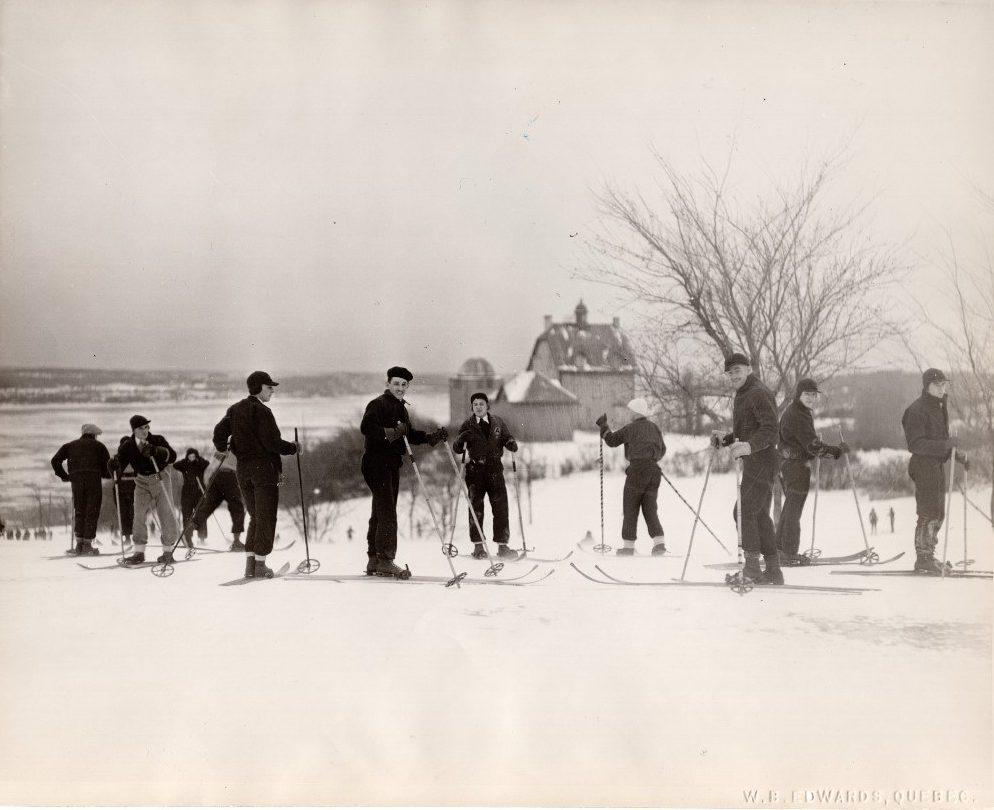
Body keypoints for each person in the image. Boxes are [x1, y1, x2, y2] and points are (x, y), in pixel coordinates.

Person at [359, 366, 447, 577]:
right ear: (388, 384)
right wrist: (391, 433)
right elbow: (366, 427)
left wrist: (430, 437)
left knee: (381, 510)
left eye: (404, 385)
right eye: (396, 383)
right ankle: (386, 560)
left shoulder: (400, 408)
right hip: (376, 463)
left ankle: (374, 559)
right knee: (387, 511)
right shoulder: (378, 404)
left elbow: (408, 435)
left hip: (389, 464)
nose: (400, 388)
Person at [213, 371, 297, 579]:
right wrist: (294, 447)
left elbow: (218, 432)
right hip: (264, 470)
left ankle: (250, 565)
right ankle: (260, 565)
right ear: (259, 387)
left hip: (243, 470)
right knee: (266, 516)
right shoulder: (263, 411)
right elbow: (272, 443)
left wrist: (223, 448)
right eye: (269, 387)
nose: (272, 391)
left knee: (255, 517)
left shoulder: (234, 409)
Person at [712, 353, 783, 585]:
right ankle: (773, 570)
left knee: (743, 512)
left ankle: (753, 569)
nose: (734, 375)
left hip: (762, 460)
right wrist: (727, 439)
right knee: (758, 513)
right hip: (758, 461)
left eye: (738, 370)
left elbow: (771, 429)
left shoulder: (757, 393)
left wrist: (749, 446)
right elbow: (749, 430)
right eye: (730, 372)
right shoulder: (744, 393)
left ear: (749, 369)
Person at [901, 368, 968, 574]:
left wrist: (958, 455)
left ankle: (929, 555)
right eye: (937, 385)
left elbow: (942, 441)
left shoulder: (939, 406)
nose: (942, 388)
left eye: (944, 384)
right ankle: (923, 558)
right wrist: (947, 446)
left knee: (938, 513)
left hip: (936, 465)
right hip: (923, 466)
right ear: (927, 385)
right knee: (928, 512)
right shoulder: (916, 410)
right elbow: (916, 444)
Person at [774, 379, 846, 566]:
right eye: (807, 394)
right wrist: (836, 451)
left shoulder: (795, 411)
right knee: (793, 509)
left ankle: (779, 549)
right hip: (796, 466)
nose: (812, 398)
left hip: (788, 465)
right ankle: (788, 553)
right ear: (799, 394)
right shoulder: (798, 414)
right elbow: (813, 446)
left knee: (790, 507)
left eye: (814, 395)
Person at [595, 397, 667, 556]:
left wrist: (603, 426)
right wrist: (650, 460)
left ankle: (628, 547)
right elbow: (663, 449)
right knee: (650, 508)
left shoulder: (631, 428)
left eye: (629, 411)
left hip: (637, 473)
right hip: (654, 472)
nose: (628, 413)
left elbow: (612, 441)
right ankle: (659, 544)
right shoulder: (654, 427)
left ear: (635, 413)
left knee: (630, 507)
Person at [452, 392, 520, 560]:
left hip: (495, 470)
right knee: (476, 508)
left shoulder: (497, 422)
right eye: (475, 404)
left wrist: (510, 442)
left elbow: (506, 436)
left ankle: (503, 546)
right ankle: (478, 546)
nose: (478, 407)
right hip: (476, 472)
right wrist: (461, 439)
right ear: (472, 407)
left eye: (481, 404)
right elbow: (457, 448)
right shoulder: (467, 425)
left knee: (501, 507)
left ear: (487, 405)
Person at [110, 416, 179, 565]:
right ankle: (139, 552)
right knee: (138, 515)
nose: (145, 430)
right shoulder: (128, 446)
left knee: (165, 514)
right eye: (141, 428)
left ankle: (168, 552)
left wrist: (157, 451)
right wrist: (114, 466)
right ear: (134, 430)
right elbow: (119, 465)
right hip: (141, 481)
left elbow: (172, 456)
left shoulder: (158, 440)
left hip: (160, 478)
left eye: (147, 427)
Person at [50, 423, 111, 555]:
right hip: (93, 480)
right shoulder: (99, 446)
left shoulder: (70, 445)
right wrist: (108, 475)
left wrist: (64, 476)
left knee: (79, 510)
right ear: (94, 435)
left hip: (76, 481)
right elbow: (107, 467)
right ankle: (88, 545)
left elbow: (55, 460)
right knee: (92, 510)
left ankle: (79, 545)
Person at [173, 448, 210, 547]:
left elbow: (207, 463)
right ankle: (188, 539)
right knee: (187, 516)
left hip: (199, 492)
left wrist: (198, 459)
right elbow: (175, 465)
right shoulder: (184, 465)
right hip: (187, 493)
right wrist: (186, 461)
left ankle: (202, 538)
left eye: (194, 456)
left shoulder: (200, 465)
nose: (192, 458)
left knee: (201, 515)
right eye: (190, 456)